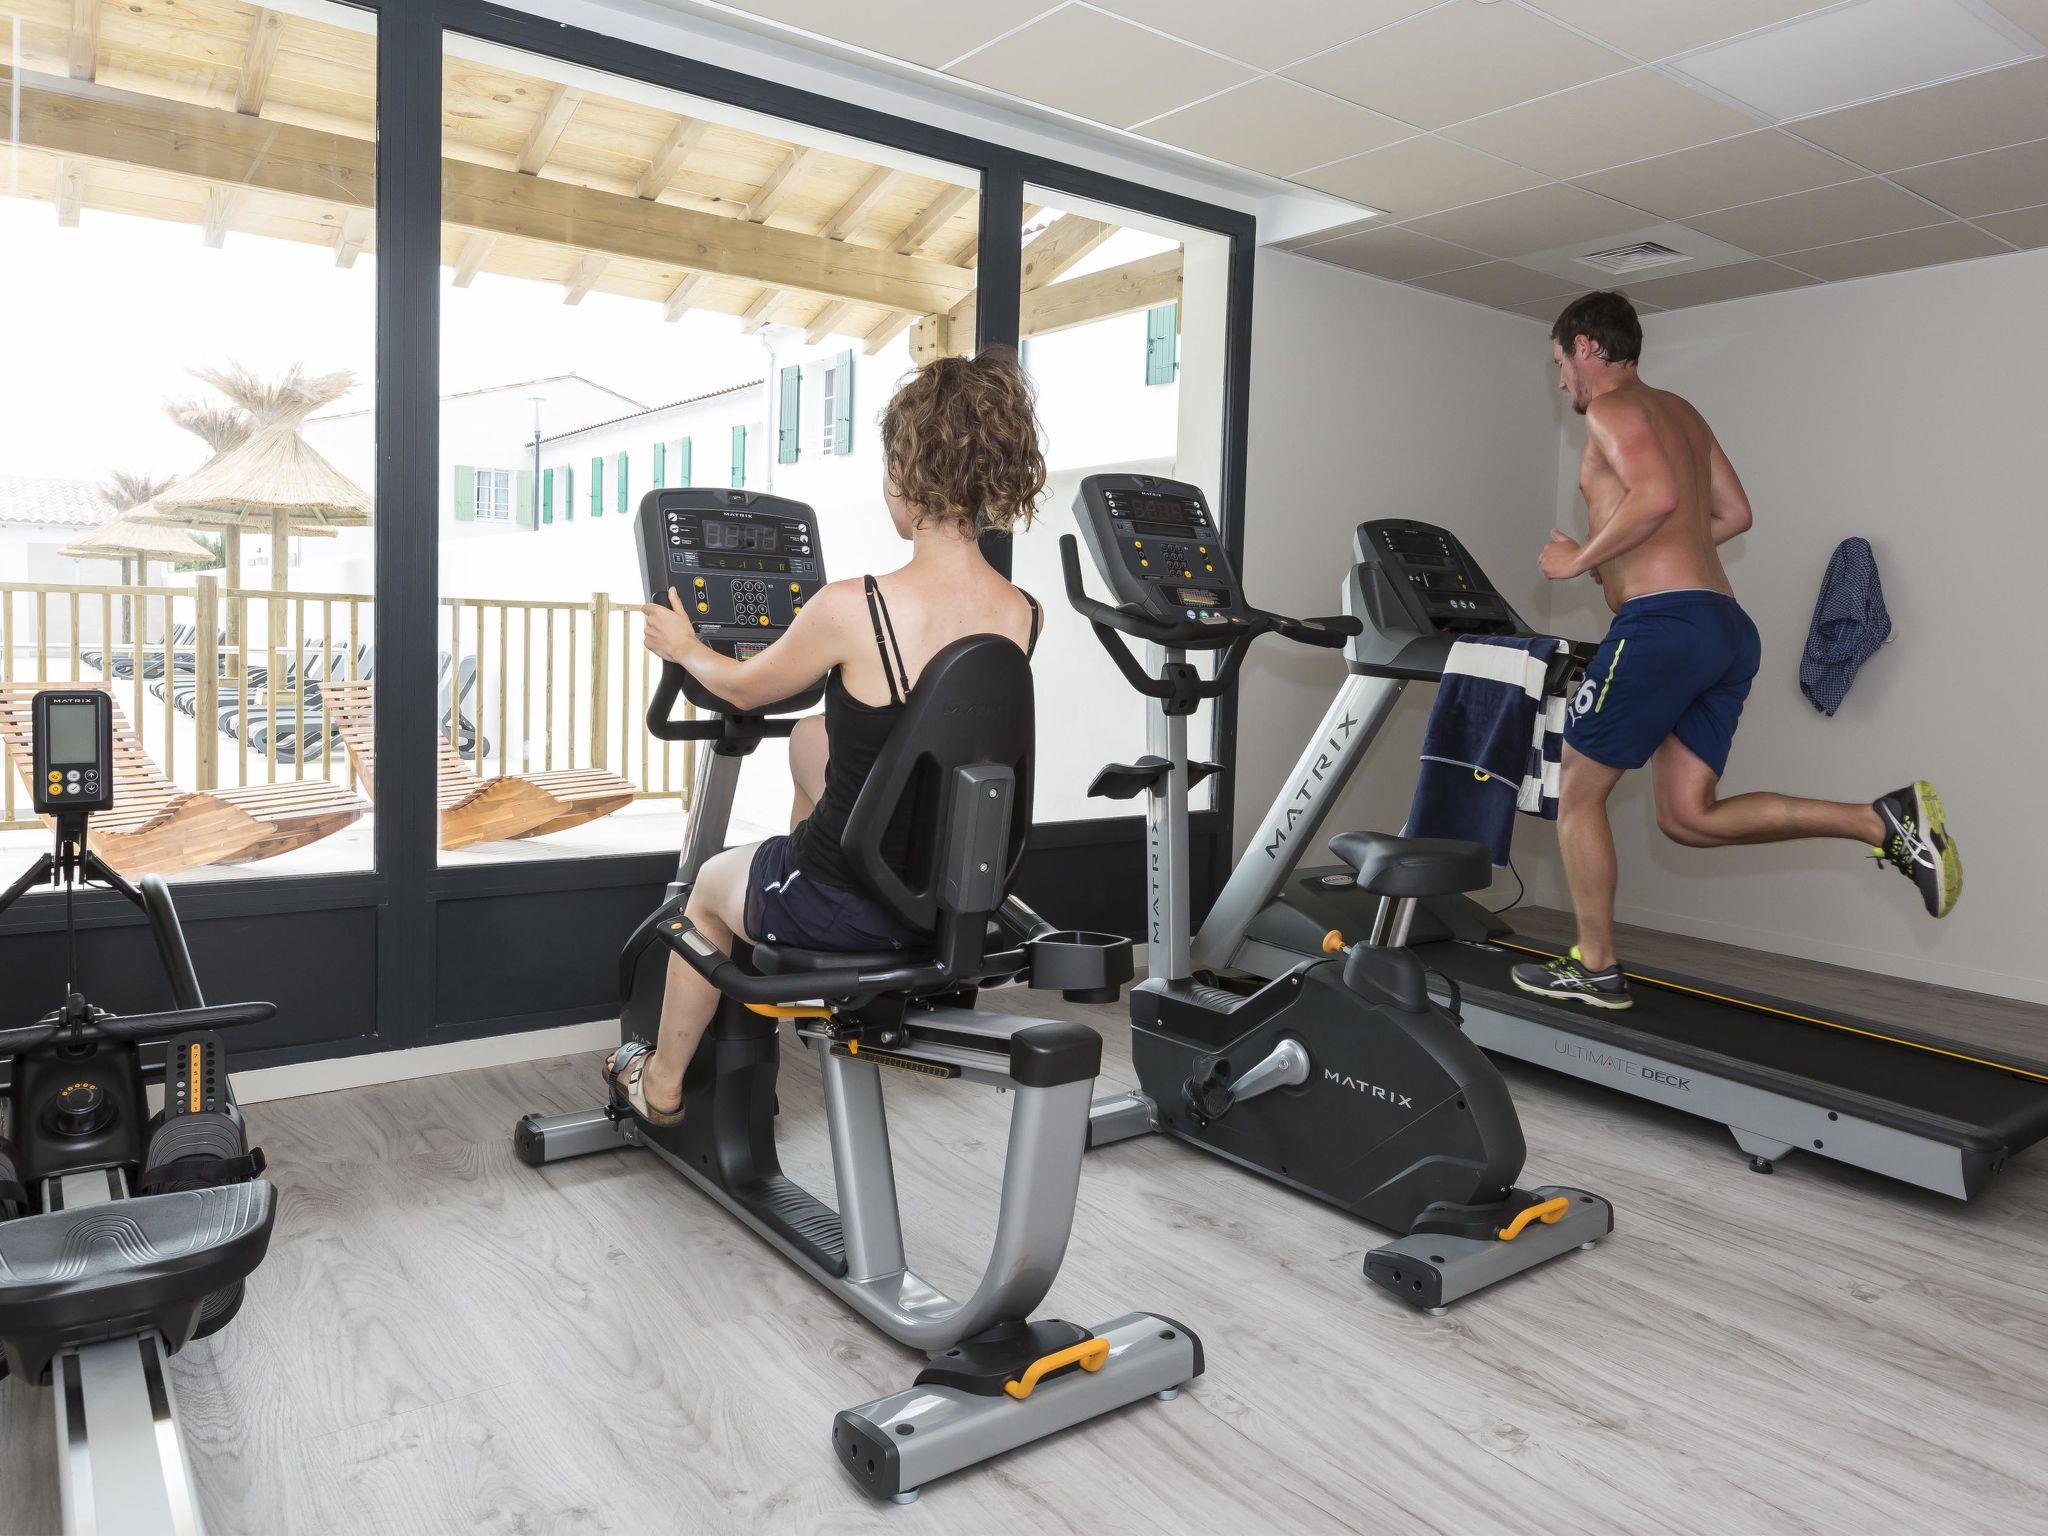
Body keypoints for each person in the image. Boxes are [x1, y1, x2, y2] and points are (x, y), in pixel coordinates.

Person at [603, 347, 1047, 1119]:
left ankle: (661, 1085)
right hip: (947, 893)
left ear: (903, 475)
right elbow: (922, 739)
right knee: (812, 738)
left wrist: (684, 646)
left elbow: (741, 685)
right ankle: (793, 903)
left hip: (853, 900)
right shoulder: (1021, 612)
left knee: (703, 891)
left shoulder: (853, 607)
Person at [1512, 291, 1960, 1012]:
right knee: (1687, 816)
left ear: (1587, 347)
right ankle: (1881, 820)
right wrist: (1626, 561)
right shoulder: (1683, 413)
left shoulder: (1612, 409)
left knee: (1576, 793)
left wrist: (1580, 560)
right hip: (1722, 625)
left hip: (1662, 627)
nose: (1561, 382)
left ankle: (1594, 968)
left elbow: (1657, 496)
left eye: (1560, 363)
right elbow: (1733, 513)